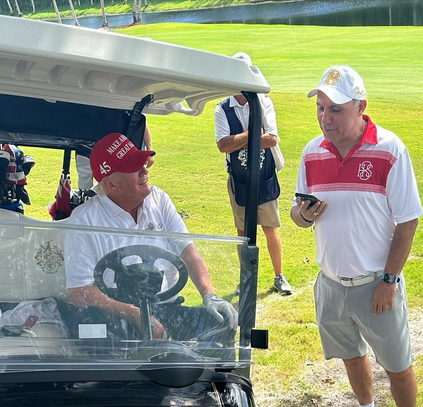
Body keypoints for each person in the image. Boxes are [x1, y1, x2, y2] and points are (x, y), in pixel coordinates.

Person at [291, 65, 423, 407]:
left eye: (335, 109)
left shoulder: (389, 149)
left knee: (397, 363)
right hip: (331, 282)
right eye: (320, 108)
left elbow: (408, 220)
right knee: (351, 355)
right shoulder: (311, 151)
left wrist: (389, 279)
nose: (325, 118)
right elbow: (297, 213)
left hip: (376, 284)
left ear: (361, 107)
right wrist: (304, 215)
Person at [65, 132, 237, 345]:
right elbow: (80, 292)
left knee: (223, 323)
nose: (144, 170)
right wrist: (136, 315)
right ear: (111, 184)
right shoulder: (84, 220)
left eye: (142, 163)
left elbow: (187, 251)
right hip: (116, 317)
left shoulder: (159, 200)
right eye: (134, 167)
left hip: (167, 309)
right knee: (98, 336)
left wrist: (210, 295)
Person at [214, 51, 292, 296]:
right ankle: (245, 279)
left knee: (270, 228)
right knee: (242, 231)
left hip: (264, 174)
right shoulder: (222, 108)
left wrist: (238, 139)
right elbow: (223, 145)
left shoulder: (264, 101)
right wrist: (252, 134)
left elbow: (272, 139)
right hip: (239, 179)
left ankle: (279, 276)